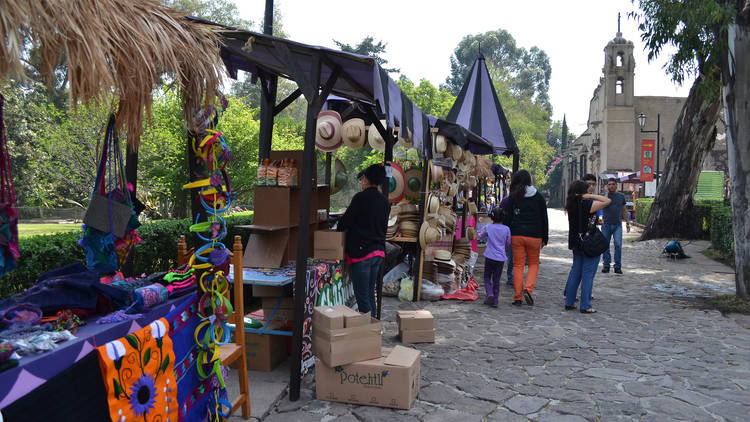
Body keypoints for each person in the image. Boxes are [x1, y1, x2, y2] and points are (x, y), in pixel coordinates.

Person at [337, 164, 390, 317]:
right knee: (369, 293)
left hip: (362, 253)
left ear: (366, 179)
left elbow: (343, 224)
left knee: (362, 298)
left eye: (362, 178)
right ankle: (374, 326)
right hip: (378, 253)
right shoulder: (385, 202)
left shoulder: (360, 198)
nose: (361, 181)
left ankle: (369, 331)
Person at [563, 180, 611, 313]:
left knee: (575, 272)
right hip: (589, 242)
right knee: (588, 275)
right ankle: (585, 305)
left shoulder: (570, 204)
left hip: (575, 242)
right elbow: (606, 201)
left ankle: (569, 302)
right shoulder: (588, 204)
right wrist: (590, 196)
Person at [504, 170, 549, 306]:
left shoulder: (513, 197)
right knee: (533, 264)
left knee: (518, 265)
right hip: (535, 235)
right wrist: (545, 237)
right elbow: (544, 219)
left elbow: (508, 218)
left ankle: (517, 297)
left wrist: (506, 236)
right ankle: (528, 289)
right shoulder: (539, 197)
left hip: (517, 235)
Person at [478, 207, 511, 308]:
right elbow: (508, 243)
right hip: (500, 258)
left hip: (489, 256)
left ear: (492, 218)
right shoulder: (507, 229)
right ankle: (495, 301)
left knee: (487, 277)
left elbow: (481, 236)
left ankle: (489, 293)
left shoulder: (488, 227)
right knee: (496, 279)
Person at [601, 177, 630, 274]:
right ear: (607, 186)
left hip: (617, 225)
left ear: (616, 185)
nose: (611, 186)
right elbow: (603, 204)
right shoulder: (604, 196)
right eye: (609, 184)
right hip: (606, 225)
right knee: (605, 245)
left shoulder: (621, 196)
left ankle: (617, 266)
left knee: (618, 245)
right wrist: (606, 193)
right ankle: (606, 265)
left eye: (613, 184)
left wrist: (627, 223)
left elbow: (624, 210)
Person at [498, 194, 513, 285]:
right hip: (509, 231)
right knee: (511, 256)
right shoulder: (506, 200)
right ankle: (510, 277)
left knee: (511, 256)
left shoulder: (506, 199)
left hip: (511, 230)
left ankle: (511, 276)